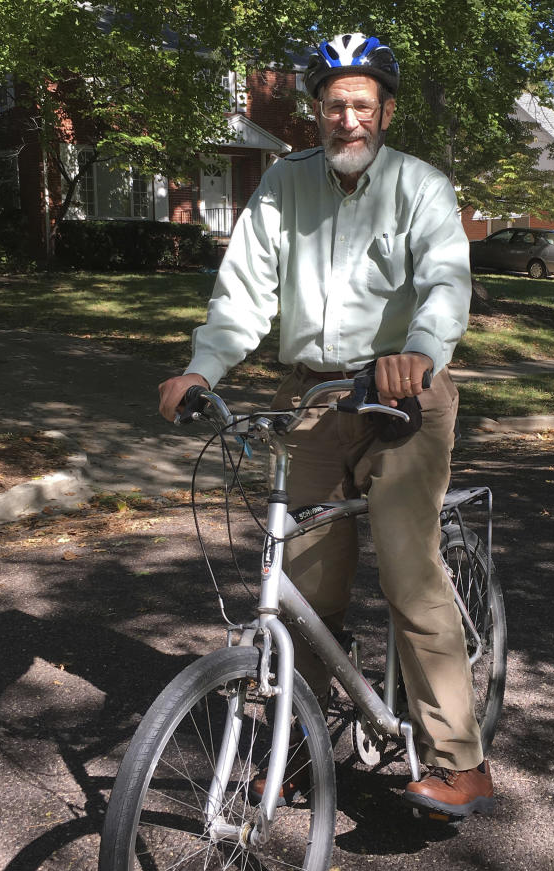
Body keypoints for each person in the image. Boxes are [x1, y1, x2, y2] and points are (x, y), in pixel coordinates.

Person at [158, 32, 494, 817]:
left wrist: (416, 351)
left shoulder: (421, 186)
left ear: (386, 111)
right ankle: (300, 741)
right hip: (312, 399)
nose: (349, 119)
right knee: (305, 581)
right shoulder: (282, 184)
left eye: (363, 105)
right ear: (316, 112)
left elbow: (445, 281)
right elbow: (243, 292)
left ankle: (459, 758)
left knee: (410, 571)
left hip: (403, 395)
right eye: (335, 105)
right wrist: (204, 366)